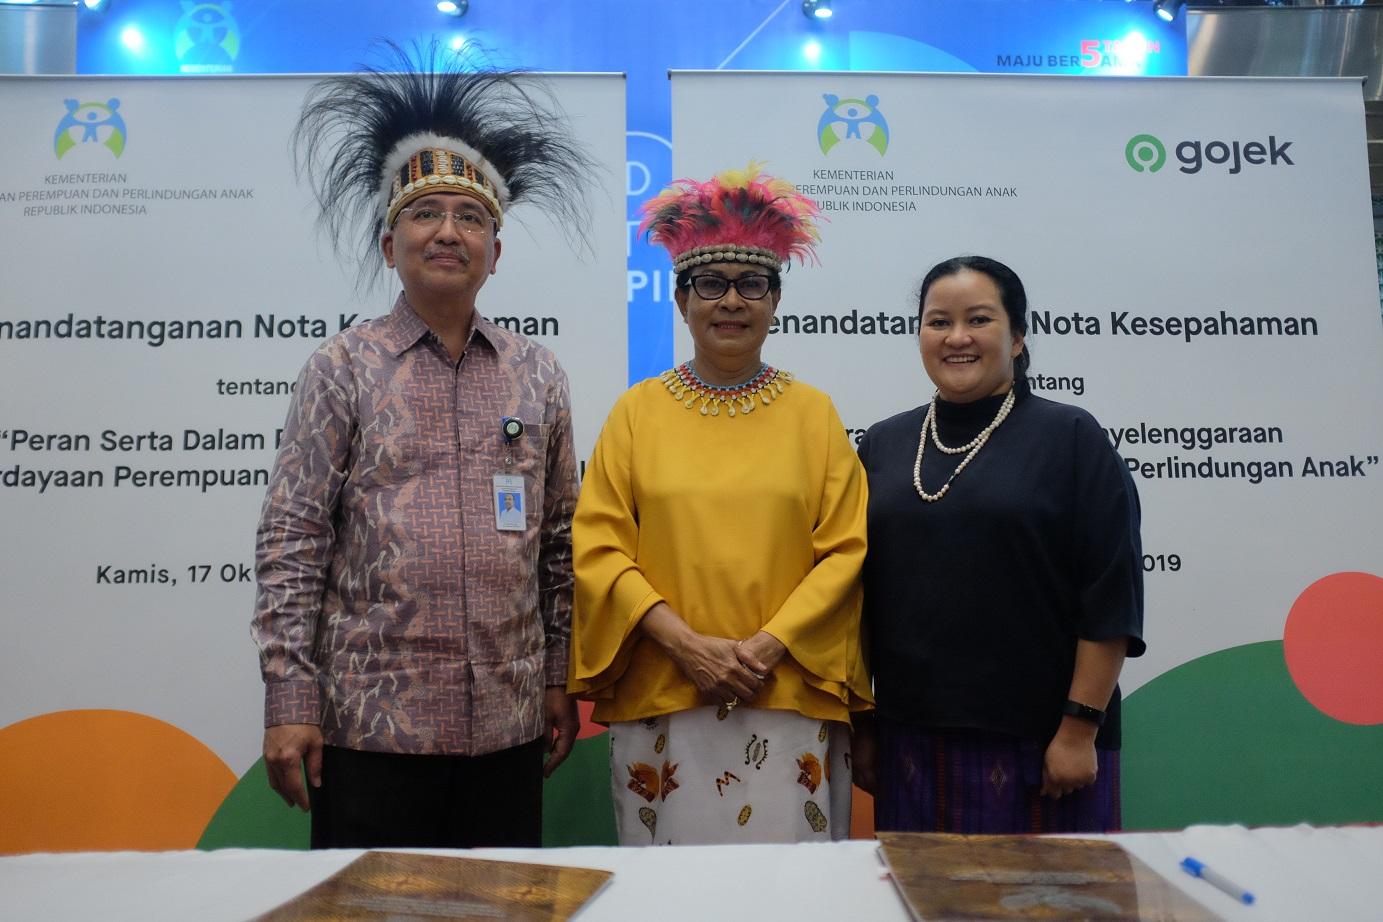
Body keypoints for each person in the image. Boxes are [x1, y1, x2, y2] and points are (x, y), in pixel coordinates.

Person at [251, 46, 592, 849]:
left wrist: (556, 678)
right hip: (371, 729)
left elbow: (559, 541)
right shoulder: (342, 367)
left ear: (495, 252)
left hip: (506, 727)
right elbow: (293, 538)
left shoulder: (537, 373)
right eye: (425, 214)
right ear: (388, 244)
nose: (447, 232)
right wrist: (290, 699)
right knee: (371, 904)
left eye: (470, 217)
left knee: (502, 902)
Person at [569, 165, 872, 846]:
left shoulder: (813, 415)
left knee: (790, 889)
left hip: (786, 690)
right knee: (671, 890)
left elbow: (844, 551)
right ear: (681, 301)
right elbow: (599, 549)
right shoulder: (636, 413)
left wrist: (763, 648)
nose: (731, 301)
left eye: (751, 284)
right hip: (663, 692)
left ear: (775, 300)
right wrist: (687, 647)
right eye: (710, 284)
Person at [854, 255, 1145, 834]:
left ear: (1016, 337)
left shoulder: (1073, 437)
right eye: (939, 322)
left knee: (1051, 888)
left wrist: (1079, 728)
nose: (957, 337)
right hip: (910, 743)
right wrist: (864, 726)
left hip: (1045, 746)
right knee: (923, 887)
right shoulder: (884, 444)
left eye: (979, 319)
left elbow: (1111, 594)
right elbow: (859, 597)